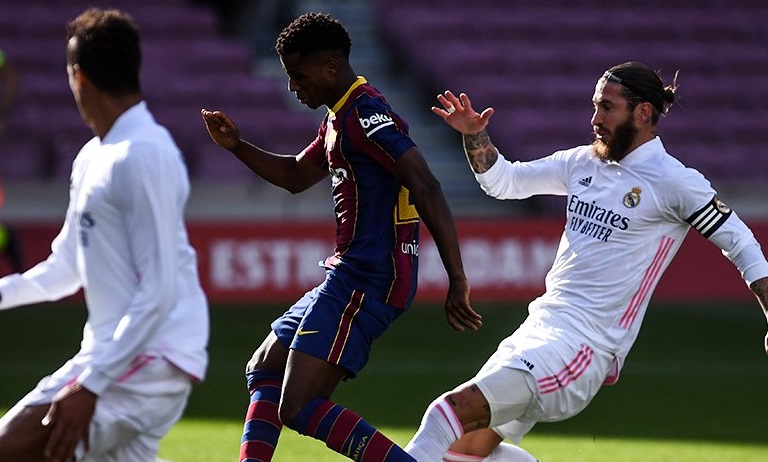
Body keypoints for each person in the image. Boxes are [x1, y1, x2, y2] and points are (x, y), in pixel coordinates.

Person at [404, 61, 768, 462]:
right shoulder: (582, 163)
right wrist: (475, 134)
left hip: (583, 346)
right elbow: (503, 182)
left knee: (445, 414)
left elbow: (741, 242)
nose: (595, 119)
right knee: (463, 453)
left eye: (607, 108)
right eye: (595, 106)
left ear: (642, 113)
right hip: (536, 329)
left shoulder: (674, 181)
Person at [201, 11, 482, 462]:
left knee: (298, 405)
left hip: (370, 277)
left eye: (299, 75)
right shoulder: (339, 118)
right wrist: (236, 145)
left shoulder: (366, 114)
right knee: (265, 367)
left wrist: (458, 278)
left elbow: (425, 184)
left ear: (331, 65)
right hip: (349, 273)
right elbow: (296, 175)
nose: (293, 86)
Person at [0, 8, 209, 462]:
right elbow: (64, 269)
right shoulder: (93, 157)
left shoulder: (144, 154)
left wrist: (92, 383)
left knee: (9, 449)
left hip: (149, 359)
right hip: (118, 354)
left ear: (78, 77)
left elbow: (159, 288)